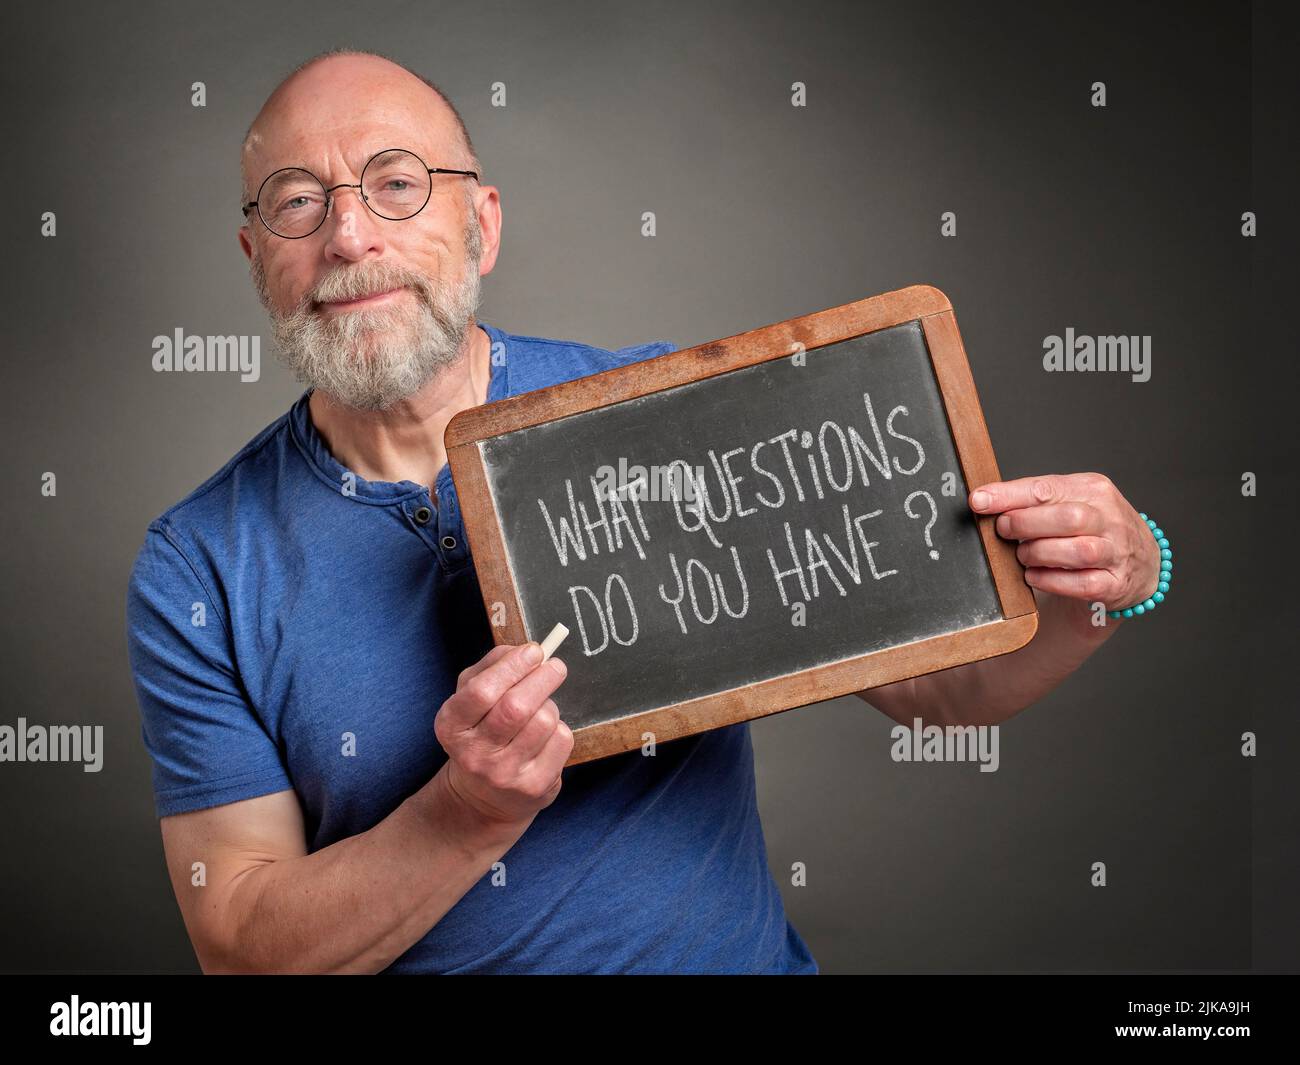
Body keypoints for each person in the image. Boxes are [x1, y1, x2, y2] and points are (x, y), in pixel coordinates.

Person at [126, 49, 1164, 975]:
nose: (350, 235)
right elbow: (243, 943)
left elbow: (940, 691)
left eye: (396, 184)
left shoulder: (667, 413)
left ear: (479, 225)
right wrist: (464, 815)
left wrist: (1105, 583)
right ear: (256, 253)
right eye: (297, 203)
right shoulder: (198, 566)